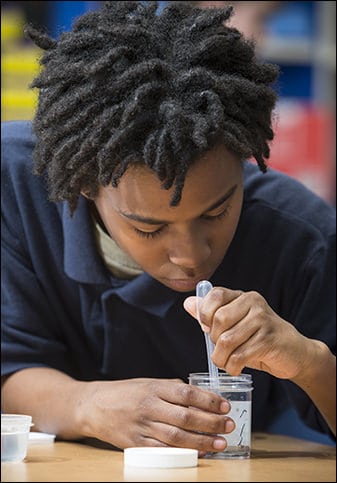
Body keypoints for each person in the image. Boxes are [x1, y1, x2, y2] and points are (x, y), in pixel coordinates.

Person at [1, 1, 335, 454]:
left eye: (216, 213)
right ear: (83, 185)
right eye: (150, 228)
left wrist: (309, 362)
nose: (191, 256)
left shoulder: (303, 235)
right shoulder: (14, 188)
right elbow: (10, 368)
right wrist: (88, 405)